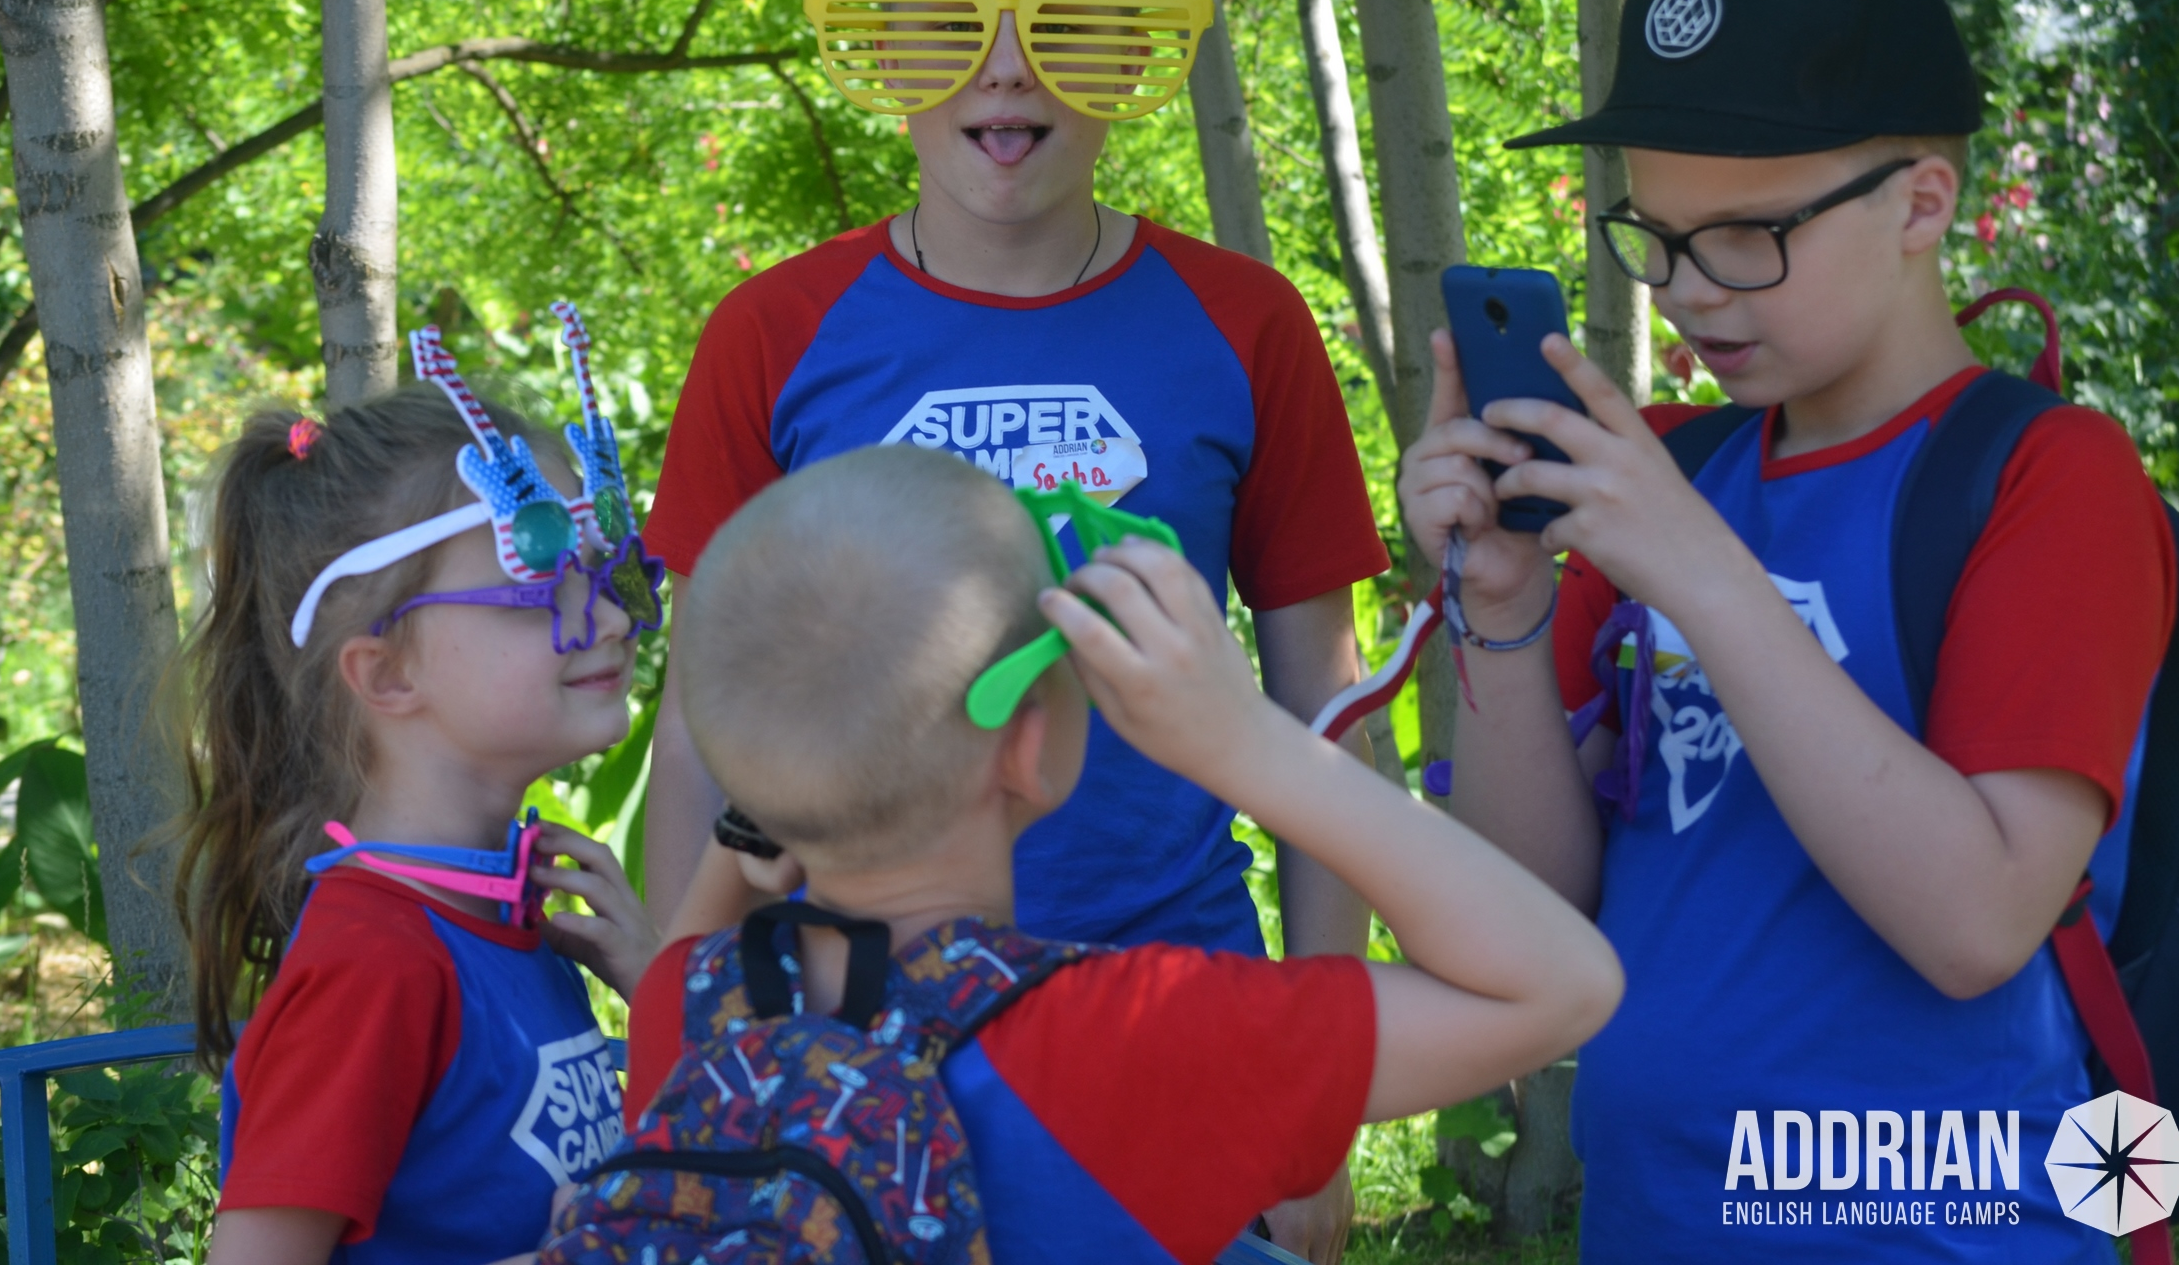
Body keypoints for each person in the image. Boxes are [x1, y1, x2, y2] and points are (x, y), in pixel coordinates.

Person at [1399, 0, 2176, 1262]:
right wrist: (1509, 613)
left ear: (1920, 204)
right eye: (1657, 235)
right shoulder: (1669, 471)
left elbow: (1976, 923)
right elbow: (1524, 911)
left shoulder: (2047, 480)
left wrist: (1705, 577)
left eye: (1748, 235)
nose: (1692, 293)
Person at [643, 0, 1389, 1250]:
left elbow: (1325, 705)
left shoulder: (1247, 324)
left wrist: (1318, 1107)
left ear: (1131, 53)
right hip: (846, 1031)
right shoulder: (771, 335)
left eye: (1066, 30)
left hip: (1176, 1002)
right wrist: (690, 1035)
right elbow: (699, 731)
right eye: (949, 30)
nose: (1005, 72)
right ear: (887, 49)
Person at [594, 445, 1620, 1263]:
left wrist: (778, 793)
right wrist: (1244, 741)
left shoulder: (689, 1004)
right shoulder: (1137, 1034)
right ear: (1029, 745)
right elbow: (1561, 984)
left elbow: (697, 938)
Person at [176, 320, 663, 1265]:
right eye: (541, 583)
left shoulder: (508, 922)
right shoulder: (375, 967)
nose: (609, 616)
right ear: (388, 674)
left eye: (606, 570)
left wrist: (657, 989)